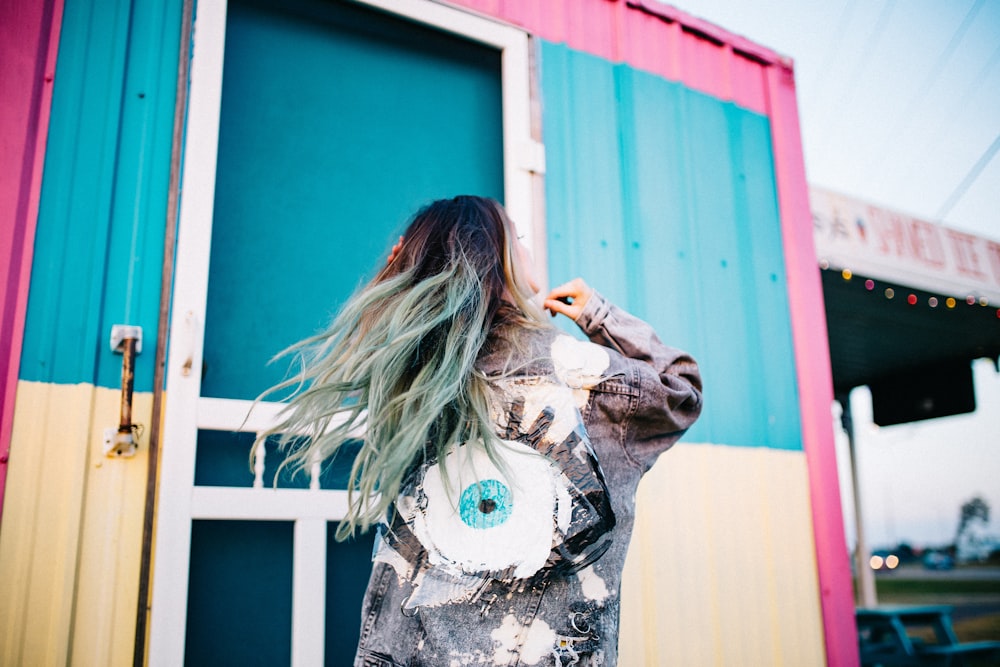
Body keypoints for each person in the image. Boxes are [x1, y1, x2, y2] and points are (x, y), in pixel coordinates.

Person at [258, 196, 702, 666]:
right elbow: (682, 390)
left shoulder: (415, 378)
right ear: (504, 257)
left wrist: (396, 283)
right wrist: (597, 314)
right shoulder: (582, 377)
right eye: (520, 239)